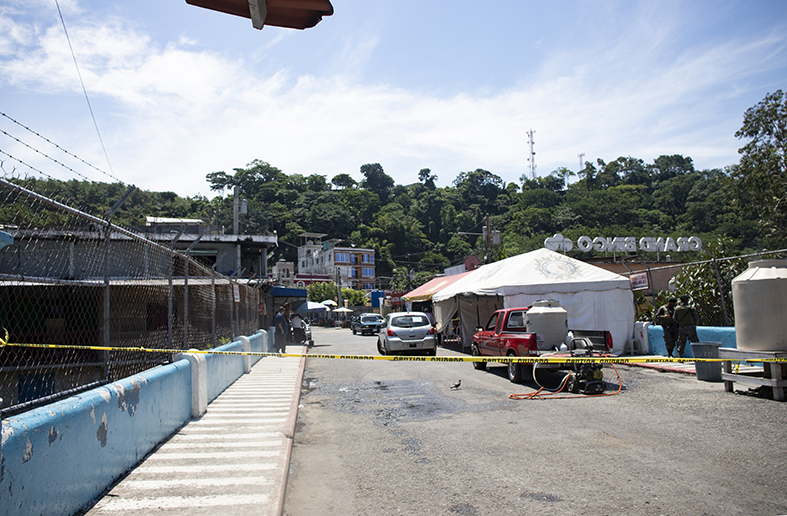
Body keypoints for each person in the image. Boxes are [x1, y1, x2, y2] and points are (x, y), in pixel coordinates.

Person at [673, 294, 700, 358]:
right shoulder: (691, 308)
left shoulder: (677, 309)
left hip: (682, 327)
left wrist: (680, 323)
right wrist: (695, 323)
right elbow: (696, 317)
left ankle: (680, 355)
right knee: (695, 342)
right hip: (691, 327)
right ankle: (697, 356)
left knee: (682, 342)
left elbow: (675, 318)